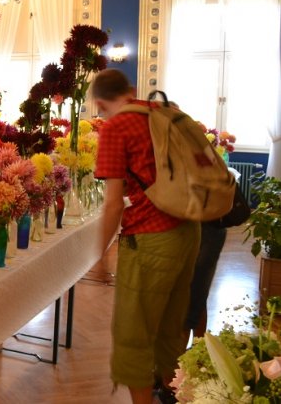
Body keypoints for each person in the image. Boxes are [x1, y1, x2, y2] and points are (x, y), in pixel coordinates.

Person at [92, 69, 200, 404]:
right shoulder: (163, 112)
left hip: (151, 237)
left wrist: (99, 255)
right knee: (171, 324)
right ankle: (171, 393)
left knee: (133, 335)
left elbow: (113, 204)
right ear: (131, 90)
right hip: (189, 229)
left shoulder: (116, 127)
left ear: (100, 104)